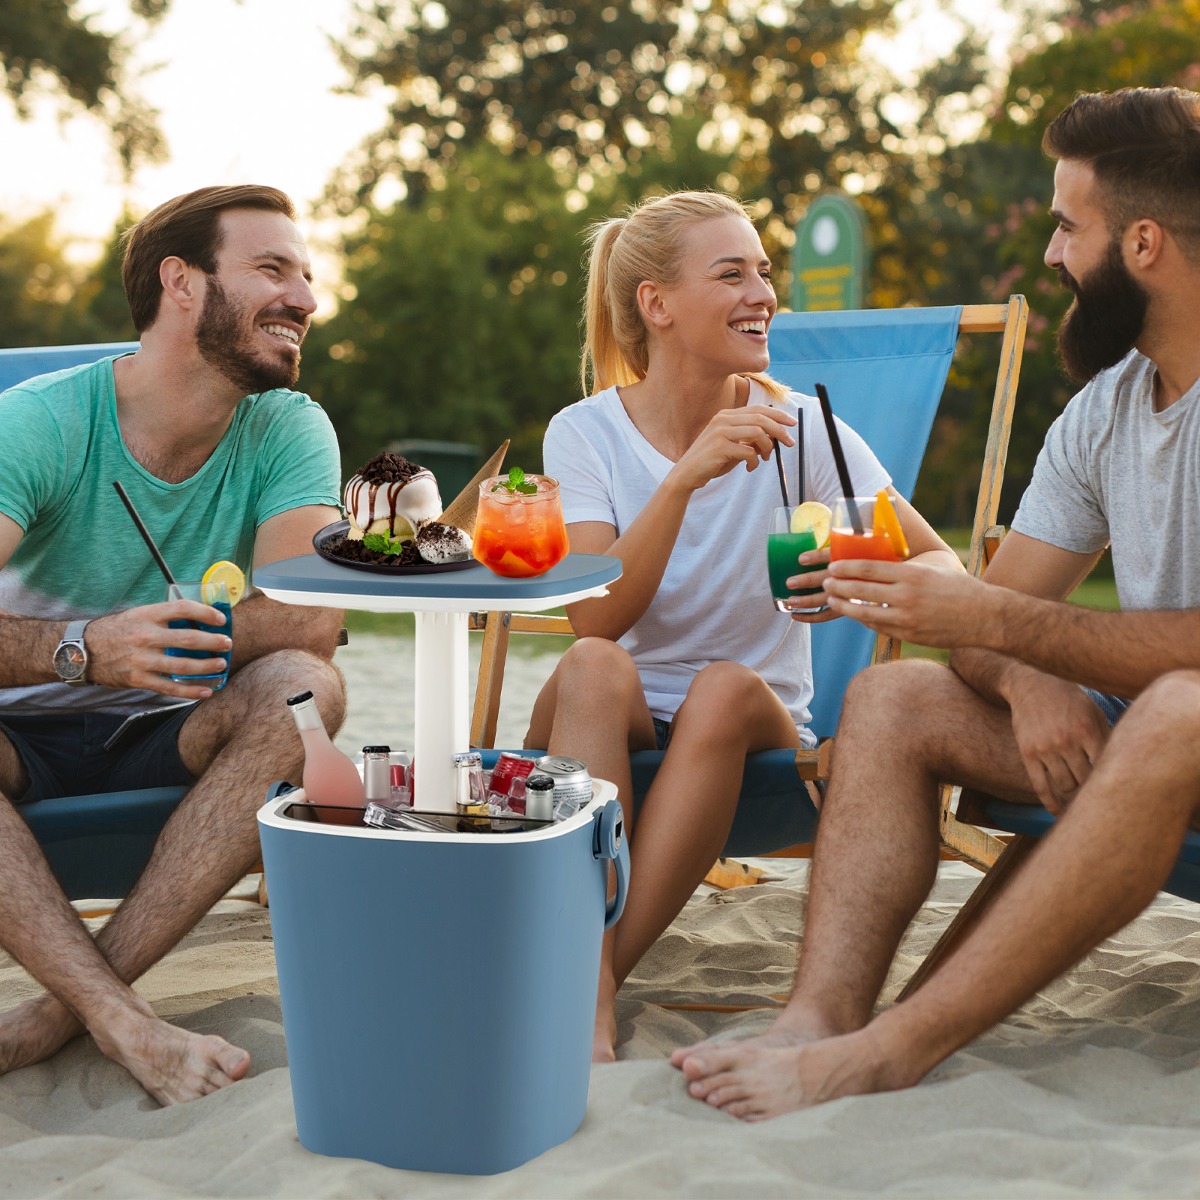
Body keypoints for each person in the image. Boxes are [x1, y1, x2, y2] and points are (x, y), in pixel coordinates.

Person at [671, 85, 1200, 1119]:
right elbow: (990, 623)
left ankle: (896, 1048)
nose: (1051, 256)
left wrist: (1004, 630)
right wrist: (1032, 673)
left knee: (1181, 706)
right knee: (890, 703)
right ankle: (820, 1018)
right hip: (1145, 743)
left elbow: (999, 617)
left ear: (1142, 244)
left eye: (1065, 226)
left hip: (1178, 727)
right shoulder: (1108, 408)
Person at [526, 190, 961, 1061]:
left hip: (756, 725)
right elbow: (594, 617)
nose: (763, 292)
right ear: (657, 305)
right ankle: (590, 989)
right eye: (732, 274)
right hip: (622, 711)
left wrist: (849, 575)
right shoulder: (586, 433)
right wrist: (686, 477)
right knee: (593, 668)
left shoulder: (804, 427)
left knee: (723, 687)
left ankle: (588, 986)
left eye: (765, 271)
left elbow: (942, 565)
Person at [0, 185, 346, 1105]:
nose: (306, 299)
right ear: (180, 283)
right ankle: (121, 1021)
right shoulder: (41, 423)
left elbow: (314, 620)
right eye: (272, 269)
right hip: (17, 732)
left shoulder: (287, 424)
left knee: (305, 686)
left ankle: (61, 1013)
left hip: (172, 726)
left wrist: (181, 632)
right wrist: (81, 648)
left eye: (306, 276)